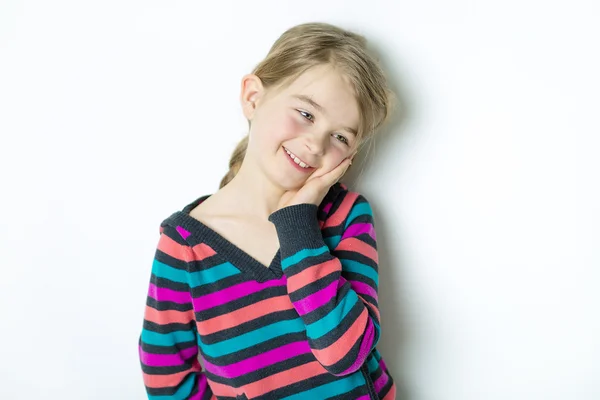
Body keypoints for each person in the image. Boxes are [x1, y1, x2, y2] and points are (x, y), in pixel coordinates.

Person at [138, 21, 397, 399]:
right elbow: (167, 381)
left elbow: (347, 354)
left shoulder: (345, 216)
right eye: (306, 114)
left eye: (340, 137)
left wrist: (298, 226)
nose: (314, 144)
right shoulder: (184, 246)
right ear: (253, 97)